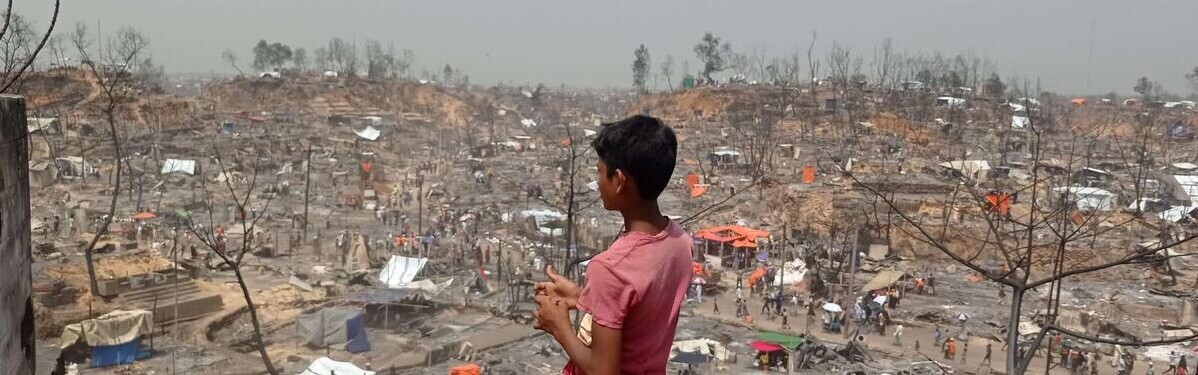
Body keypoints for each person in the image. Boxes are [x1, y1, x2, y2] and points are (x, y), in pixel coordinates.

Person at [532, 116, 692, 375]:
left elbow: (602, 371)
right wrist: (582, 296)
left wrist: (559, 326)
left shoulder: (610, 267)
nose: (597, 181)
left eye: (599, 170)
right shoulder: (680, 242)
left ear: (618, 181)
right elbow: (639, 311)